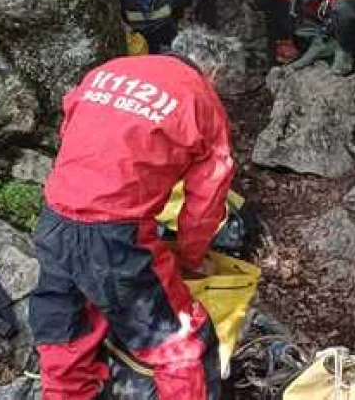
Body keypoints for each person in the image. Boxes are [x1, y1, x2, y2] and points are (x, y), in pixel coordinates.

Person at [29, 53, 234, 400]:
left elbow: (72, 128)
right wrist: (189, 257)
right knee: (180, 343)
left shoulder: (107, 72)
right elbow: (208, 195)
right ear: (211, 71)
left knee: (67, 336)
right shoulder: (198, 94)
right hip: (117, 233)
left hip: (55, 219)